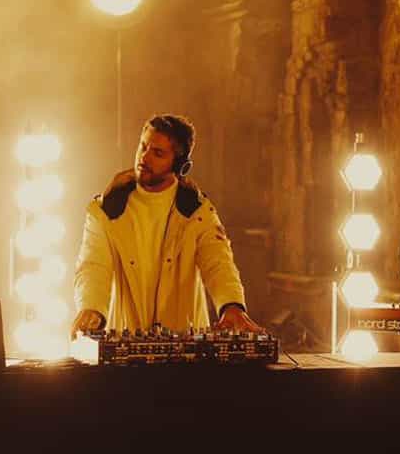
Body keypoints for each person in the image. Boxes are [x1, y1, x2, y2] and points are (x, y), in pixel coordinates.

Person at [72, 114, 262, 337]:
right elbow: (94, 265)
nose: (144, 157)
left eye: (158, 153)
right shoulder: (106, 210)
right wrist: (91, 307)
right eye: (143, 146)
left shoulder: (198, 212)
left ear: (180, 165)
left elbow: (218, 263)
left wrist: (231, 305)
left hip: (185, 340)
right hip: (126, 335)